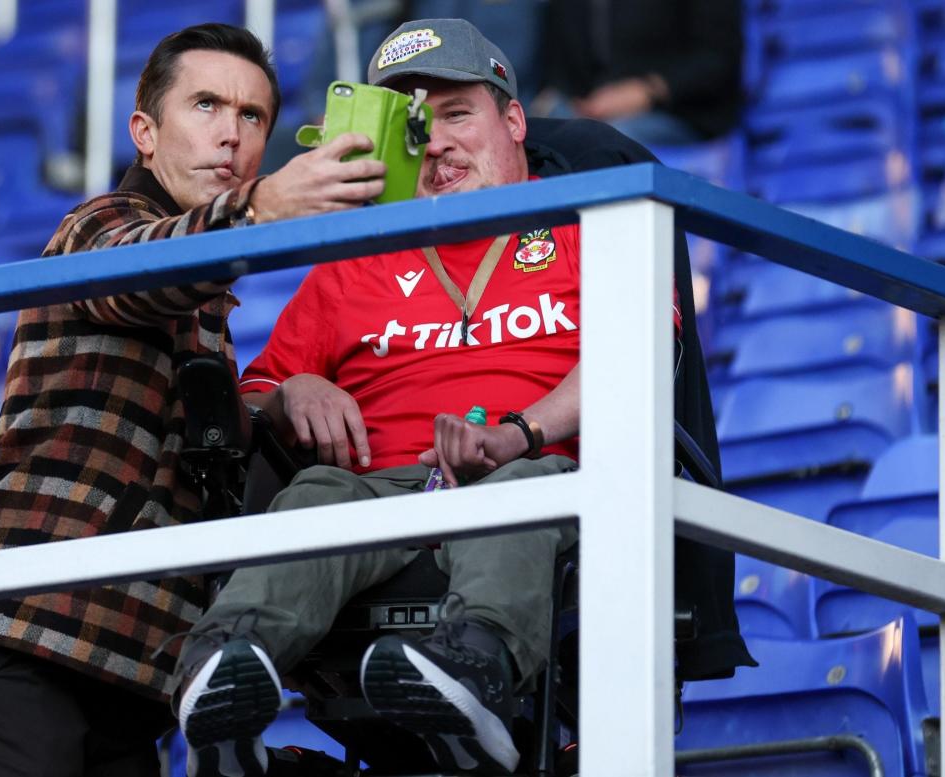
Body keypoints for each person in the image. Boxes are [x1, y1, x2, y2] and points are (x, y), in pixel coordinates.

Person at [168, 19, 755, 777]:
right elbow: (259, 389)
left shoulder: (593, 220)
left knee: (523, 491)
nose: (436, 142)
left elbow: (636, 356)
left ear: (512, 120)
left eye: (456, 113)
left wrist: (519, 433)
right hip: (379, 490)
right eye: (414, 125)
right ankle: (224, 673)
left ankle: (469, 675)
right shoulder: (357, 256)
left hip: (538, 477)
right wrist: (293, 391)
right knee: (316, 492)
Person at [0, 23, 387, 777]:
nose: (229, 134)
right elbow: (133, 274)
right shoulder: (96, 225)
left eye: (251, 115)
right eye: (204, 105)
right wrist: (261, 208)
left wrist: (281, 397)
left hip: (128, 672)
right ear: (145, 132)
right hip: (21, 635)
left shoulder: (210, 310)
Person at [532, 0, 742, 147]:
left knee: (609, 140)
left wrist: (650, 90)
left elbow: (719, 58)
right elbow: (559, 62)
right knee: (534, 134)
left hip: (680, 112)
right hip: (590, 110)